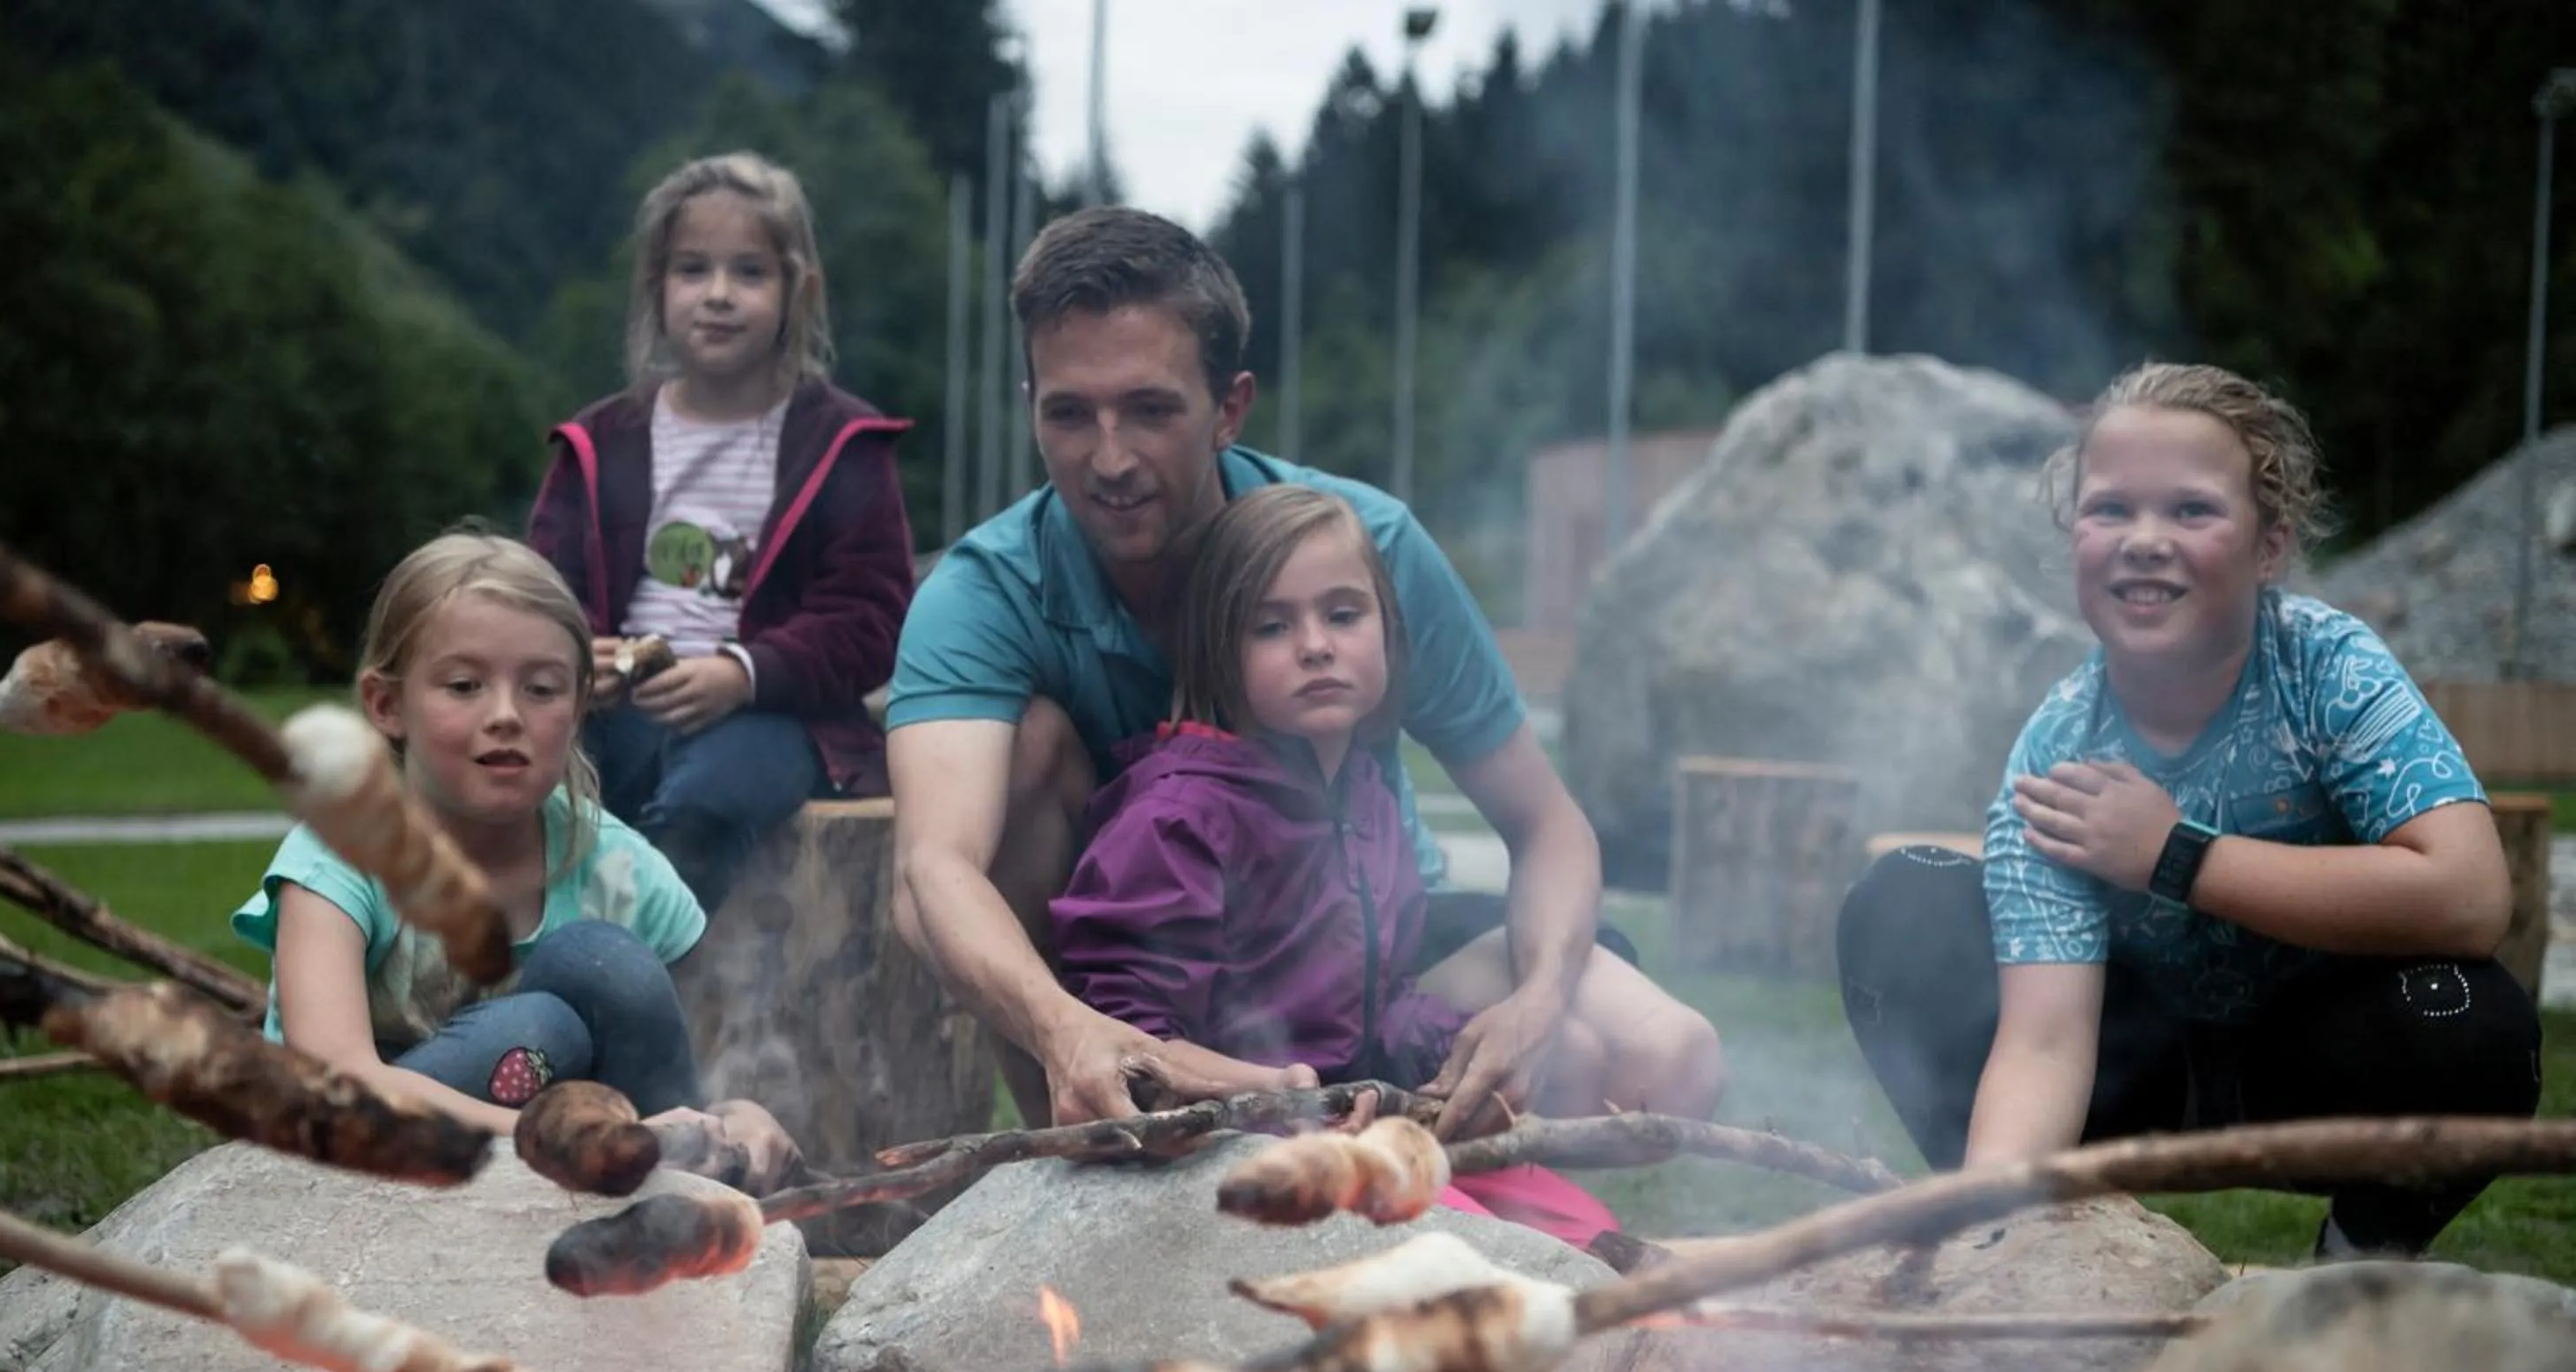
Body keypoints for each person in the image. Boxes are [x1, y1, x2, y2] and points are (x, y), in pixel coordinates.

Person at [887, 206, 1721, 1133]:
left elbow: (1548, 825)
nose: (1110, 458)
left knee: (1661, 1057)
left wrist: (1533, 1008)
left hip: (1374, 944)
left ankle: (1473, 1245)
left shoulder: (1366, 551)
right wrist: (1066, 1028)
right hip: (1148, 988)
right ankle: (1088, 1133)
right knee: (1010, 775)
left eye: (1152, 409)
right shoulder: (983, 592)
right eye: (1070, 415)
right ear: (1030, 404)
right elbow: (934, 869)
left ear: (1229, 408)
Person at [1835, 363, 2540, 1259]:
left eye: (2191, 510)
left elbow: (2472, 895)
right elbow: (2045, 1043)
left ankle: (2361, 1257)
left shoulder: (2329, 669)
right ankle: (2034, 1249)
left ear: (2270, 545)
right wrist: (1984, 1228)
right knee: (1903, 904)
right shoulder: (2060, 752)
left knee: (2471, 1018)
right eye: (2110, 509)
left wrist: (2177, 855)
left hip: (2320, 1064)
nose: (2144, 539)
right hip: (2130, 1077)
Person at [1050, 484, 1629, 1247]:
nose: (1316, 644)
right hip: (1218, 1154)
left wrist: (1451, 1062)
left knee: (1586, 1232)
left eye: (1343, 615)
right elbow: (1128, 1051)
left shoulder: (1363, 796)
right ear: (1220, 651)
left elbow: (1365, 1010)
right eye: (1272, 626)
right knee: (1499, 1255)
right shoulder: (1177, 820)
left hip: (1346, 1124)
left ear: (1389, 632)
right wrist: (1278, 1093)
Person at [527, 151, 916, 913]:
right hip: (613, 708)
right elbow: (539, 595)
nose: (718, 296)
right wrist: (574, 657)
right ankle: (481, 983)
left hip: (775, 716)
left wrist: (743, 673)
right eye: (692, 270)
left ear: (798, 293)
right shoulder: (601, 441)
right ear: (657, 288)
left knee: (706, 808)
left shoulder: (841, 443)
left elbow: (871, 619)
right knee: (526, 796)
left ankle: (618, 981)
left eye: (749, 273)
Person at [233, 531, 713, 1136]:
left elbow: (720, 1049)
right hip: (346, 1157)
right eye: (464, 686)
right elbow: (337, 1079)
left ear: (579, 703)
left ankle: (685, 1196)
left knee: (605, 964)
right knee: (540, 1031)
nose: (506, 715)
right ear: (387, 705)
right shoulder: (341, 853)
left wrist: (740, 1117)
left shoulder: (615, 864)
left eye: (541, 689)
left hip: (559, 1166)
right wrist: (559, 1143)